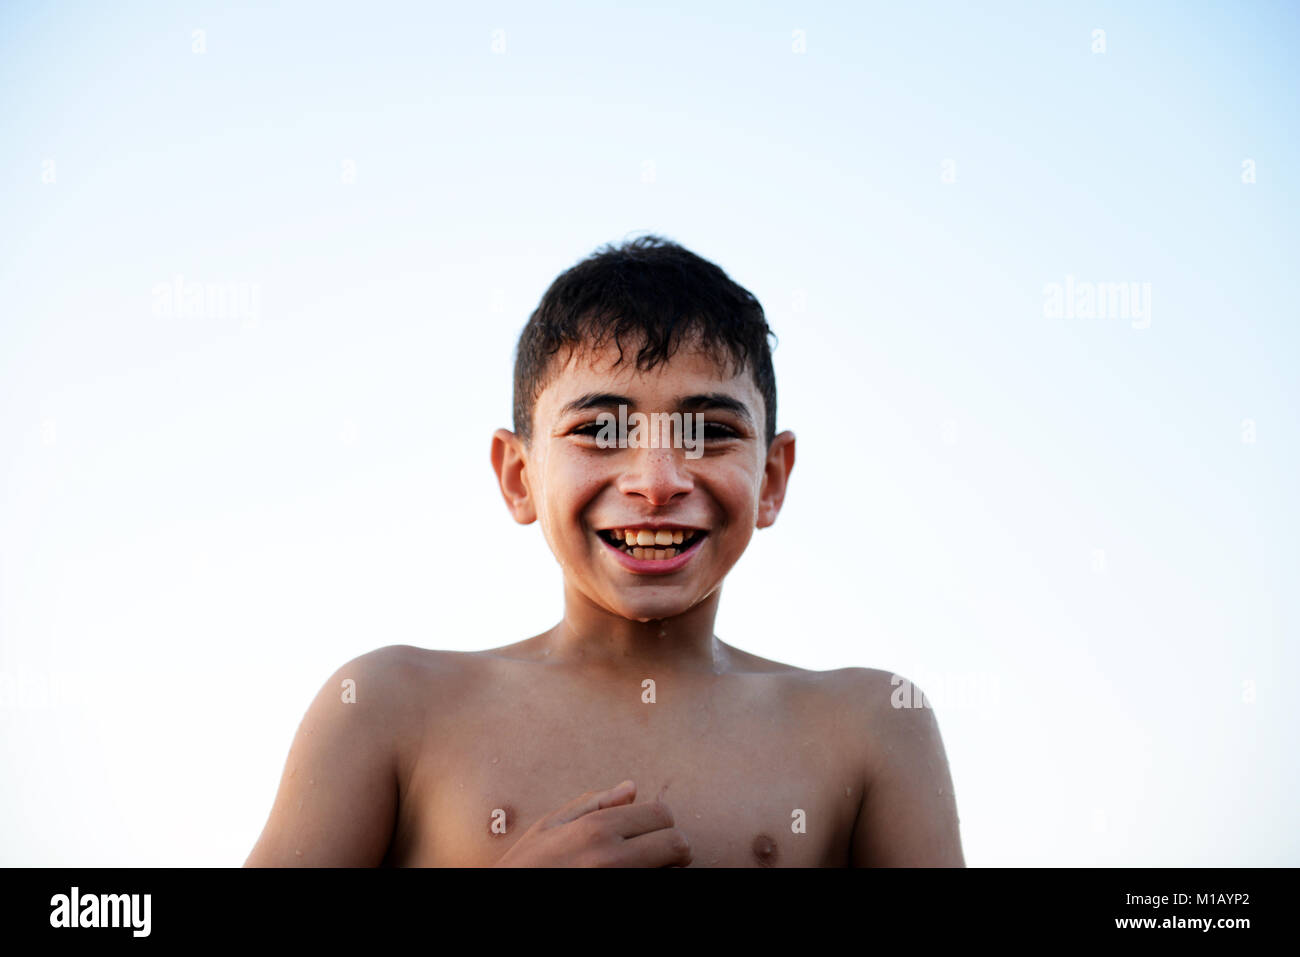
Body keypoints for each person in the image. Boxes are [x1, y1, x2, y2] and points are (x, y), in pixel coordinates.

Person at [244, 234, 964, 867]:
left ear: (772, 478)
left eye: (709, 431)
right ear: (518, 475)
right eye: (600, 430)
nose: (657, 482)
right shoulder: (388, 706)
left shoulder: (870, 727)